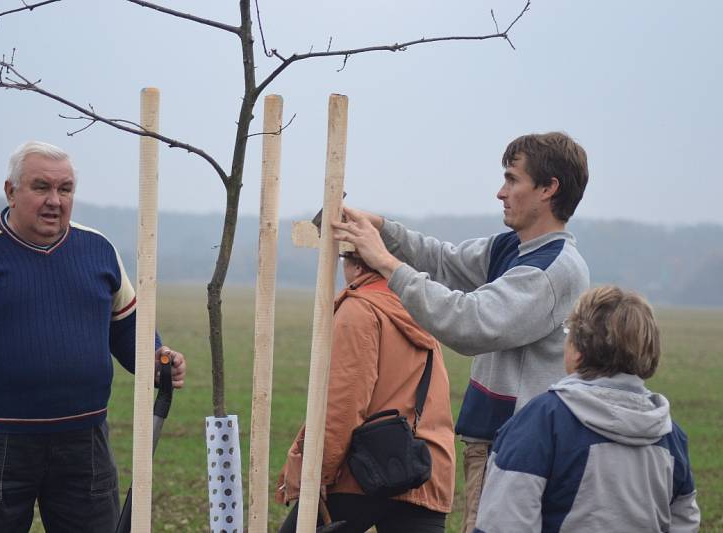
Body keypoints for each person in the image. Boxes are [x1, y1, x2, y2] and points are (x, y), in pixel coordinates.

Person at [332, 132, 590, 532]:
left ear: (548, 189)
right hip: (498, 443)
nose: (500, 193)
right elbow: (444, 261)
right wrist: (381, 228)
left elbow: (471, 323)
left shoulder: (552, 269)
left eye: (512, 180)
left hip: (523, 446)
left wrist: (384, 262)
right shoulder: (512, 248)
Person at [0, 141, 187, 532]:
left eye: (65, 190)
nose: (54, 200)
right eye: (41, 187)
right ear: (11, 191)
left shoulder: (98, 250)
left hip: (85, 446)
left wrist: (157, 358)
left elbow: (128, 328)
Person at [474, 285, 701, 532]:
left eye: (568, 331)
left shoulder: (541, 423)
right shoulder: (671, 436)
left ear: (580, 349)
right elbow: (684, 523)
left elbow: (502, 523)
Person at [276, 252, 455, 533]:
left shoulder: (359, 310)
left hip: (362, 472)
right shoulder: (422, 311)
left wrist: (317, 472)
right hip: (425, 468)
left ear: (357, 265)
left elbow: (343, 403)